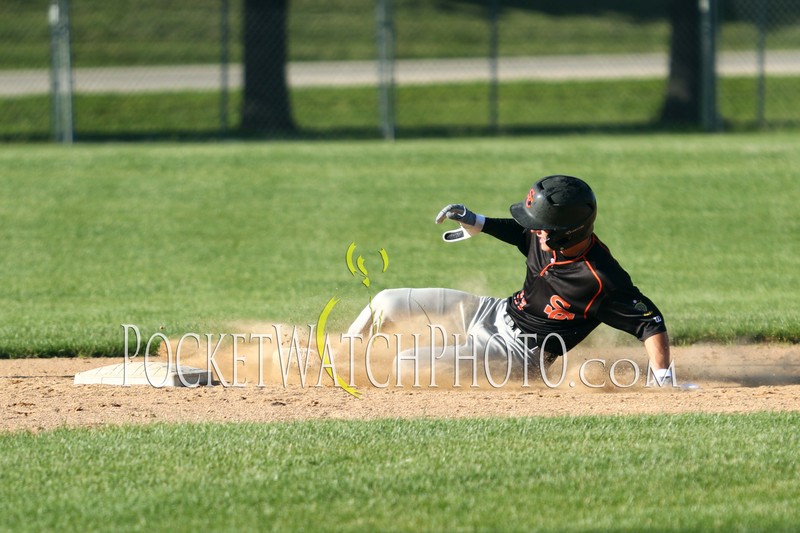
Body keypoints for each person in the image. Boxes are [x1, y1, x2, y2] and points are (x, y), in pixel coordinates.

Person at [347, 175, 672, 383]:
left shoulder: (601, 279)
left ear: (566, 232)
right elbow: (519, 232)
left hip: (518, 354)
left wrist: (663, 377)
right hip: (490, 311)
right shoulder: (542, 236)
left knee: (408, 366)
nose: (534, 229)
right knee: (385, 301)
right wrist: (478, 222)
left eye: (540, 225)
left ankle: (445, 357)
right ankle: (339, 360)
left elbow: (650, 322)